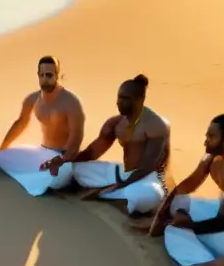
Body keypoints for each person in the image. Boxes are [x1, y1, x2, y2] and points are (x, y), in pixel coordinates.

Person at [144, 112, 224, 259]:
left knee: (179, 231)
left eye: (211, 137)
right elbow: (184, 188)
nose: (206, 141)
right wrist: (158, 220)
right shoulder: (211, 158)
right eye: (207, 136)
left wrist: (190, 225)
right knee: (178, 202)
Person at [69, 74, 170, 214]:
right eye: (119, 97)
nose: (118, 102)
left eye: (125, 99)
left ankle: (109, 194)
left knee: (145, 195)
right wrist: (66, 162)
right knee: (71, 170)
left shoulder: (156, 125)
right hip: (122, 173)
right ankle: (114, 195)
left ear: (140, 100)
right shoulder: (115, 123)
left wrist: (118, 186)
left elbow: (149, 165)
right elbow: (91, 153)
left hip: (146, 178)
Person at [0, 56, 86, 196]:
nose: (45, 79)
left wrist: (63, 159)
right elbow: (21, 123)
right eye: (41, 75)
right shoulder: (33, 99)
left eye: (49, 75)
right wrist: (2, 149)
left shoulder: (71, 102)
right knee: (0, 158)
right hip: (42, 152)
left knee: (57, 176)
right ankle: (39, 177)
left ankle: (49, 178)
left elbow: (76, 136)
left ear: (58, 75)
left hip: (63, 157)